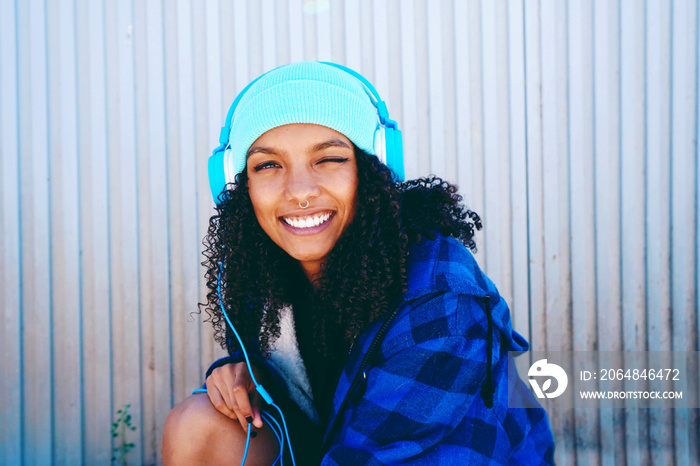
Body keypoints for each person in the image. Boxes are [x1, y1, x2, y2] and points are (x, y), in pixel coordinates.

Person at [162, 61, 555, 465]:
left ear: (371, 169)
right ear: (239, 184)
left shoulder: (441, 296)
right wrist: (254, 375)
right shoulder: (267, 268)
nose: (299, 192)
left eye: (329, 159)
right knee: (198, 425)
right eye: (267, 165)